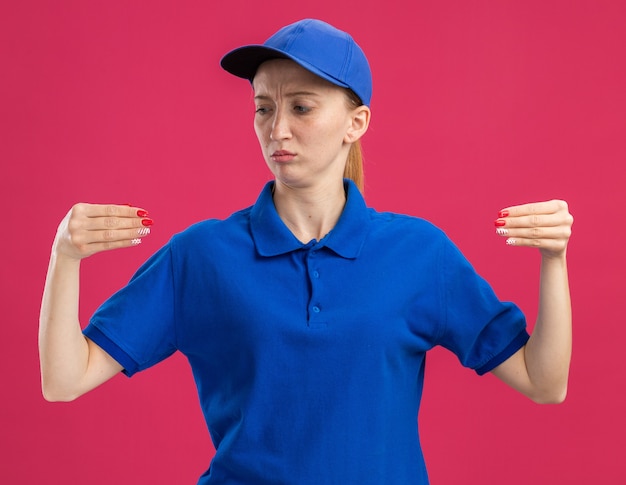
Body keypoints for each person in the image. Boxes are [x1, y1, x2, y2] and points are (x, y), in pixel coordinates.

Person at [39, 19, 573, 484]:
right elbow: (64, 380)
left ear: (355, 123)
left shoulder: (420, 255)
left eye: (301, 107)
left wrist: (555, 261)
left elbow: (543, 382)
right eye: (263, 108)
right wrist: (64, 256)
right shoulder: (200, 257)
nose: (277, 130)